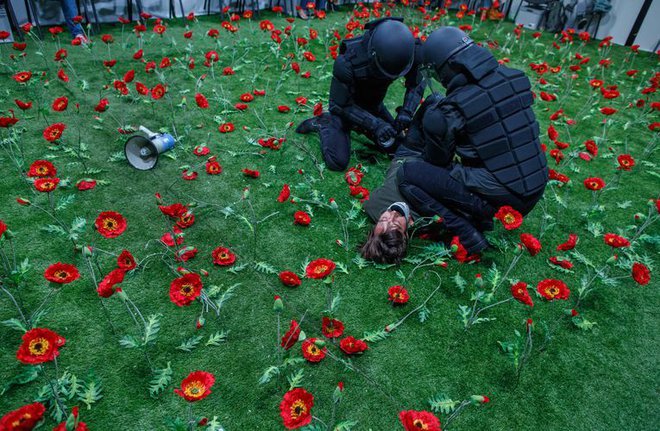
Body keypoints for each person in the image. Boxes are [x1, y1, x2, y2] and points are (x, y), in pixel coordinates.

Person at [362, 26, 548, 262]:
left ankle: (466, 231)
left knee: (409, 175)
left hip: (503, 201)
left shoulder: (452, 109)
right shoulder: (512, 77)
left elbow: (437, 163)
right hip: (535, 186)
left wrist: (433, 127)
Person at [295, 17, 425, 171]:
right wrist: (375, 125)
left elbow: (416, 83)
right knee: (337, 161)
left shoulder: (410, 51)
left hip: (373, 105)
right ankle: (324, 122)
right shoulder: (348, 61)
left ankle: (372, 125)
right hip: (346, 109)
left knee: (398, 148)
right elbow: (339, 105)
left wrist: (406, 113)